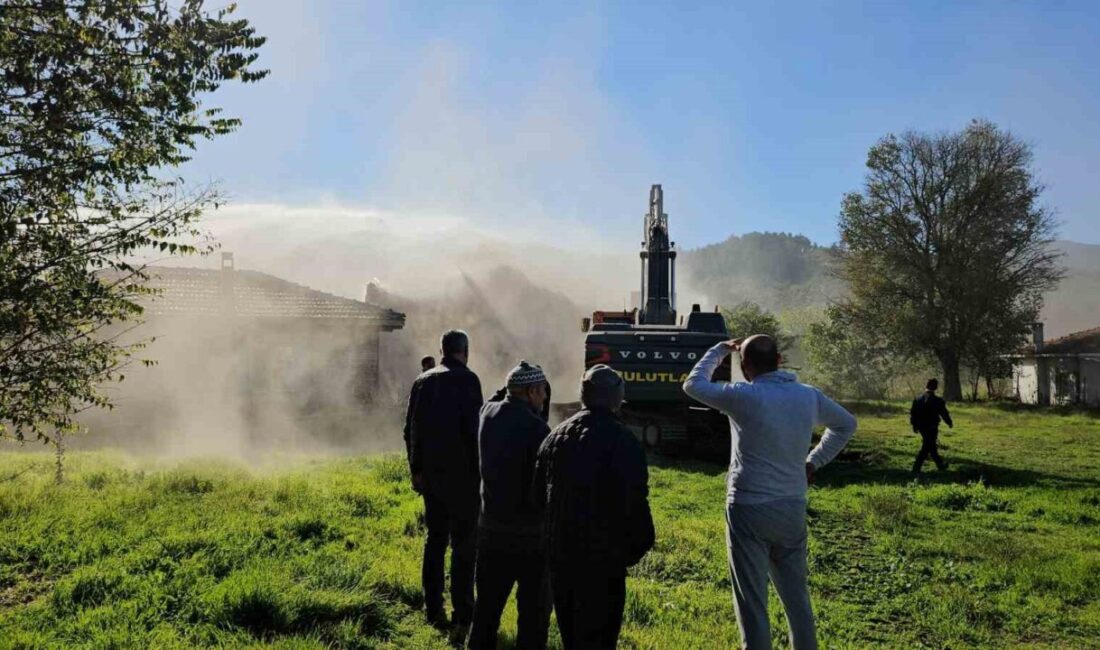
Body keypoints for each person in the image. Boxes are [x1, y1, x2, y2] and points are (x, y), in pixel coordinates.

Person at [683, 335, 856, 650]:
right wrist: (814, 461)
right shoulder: (808, 396)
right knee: (797, 599)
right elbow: (846, 425)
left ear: (746, 367)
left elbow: (693, 385)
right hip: (791, 506)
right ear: (779, 361)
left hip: (748, 508)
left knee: (752, 601)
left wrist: (720, 350)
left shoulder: (743, 395)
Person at [532, 364, 655, 650]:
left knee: (571, 639)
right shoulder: (624, 440)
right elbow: (636, 505)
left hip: (561, 562)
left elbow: (538, 499)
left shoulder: (553, 437)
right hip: (603, 566)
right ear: (616, 398)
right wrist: (630, 553)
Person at [403, 330, 484, 641]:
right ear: (465, 351)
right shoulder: (469, 380)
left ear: (442, 350)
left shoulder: (422, 381)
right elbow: (474, 432)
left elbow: (410, 428)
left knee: (435, 541)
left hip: (432, 478)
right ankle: (463, 613)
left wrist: (416, 470)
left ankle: (432, 607)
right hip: (463, 479)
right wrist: (481, 475)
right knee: (464, 546)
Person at [468, 361, 552, 650]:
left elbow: (495, 399)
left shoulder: (487, 414)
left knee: (486, 611)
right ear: (531, 392)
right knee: (532, 616)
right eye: (542, 391)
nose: (544, 398)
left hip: (490, 530)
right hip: (529, 537)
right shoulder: (538, 430)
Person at [910, 378, 952, 474]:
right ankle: (916, 468)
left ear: (926, 386)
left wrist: (914, 426)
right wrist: (949, 422)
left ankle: (940, 465)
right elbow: (944, 413)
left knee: (931, 446)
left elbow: (913, 414)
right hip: (932, 427)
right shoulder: (938, 400)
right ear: (936, 387)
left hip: (921, 427)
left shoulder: (917, 399)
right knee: (927, 447)